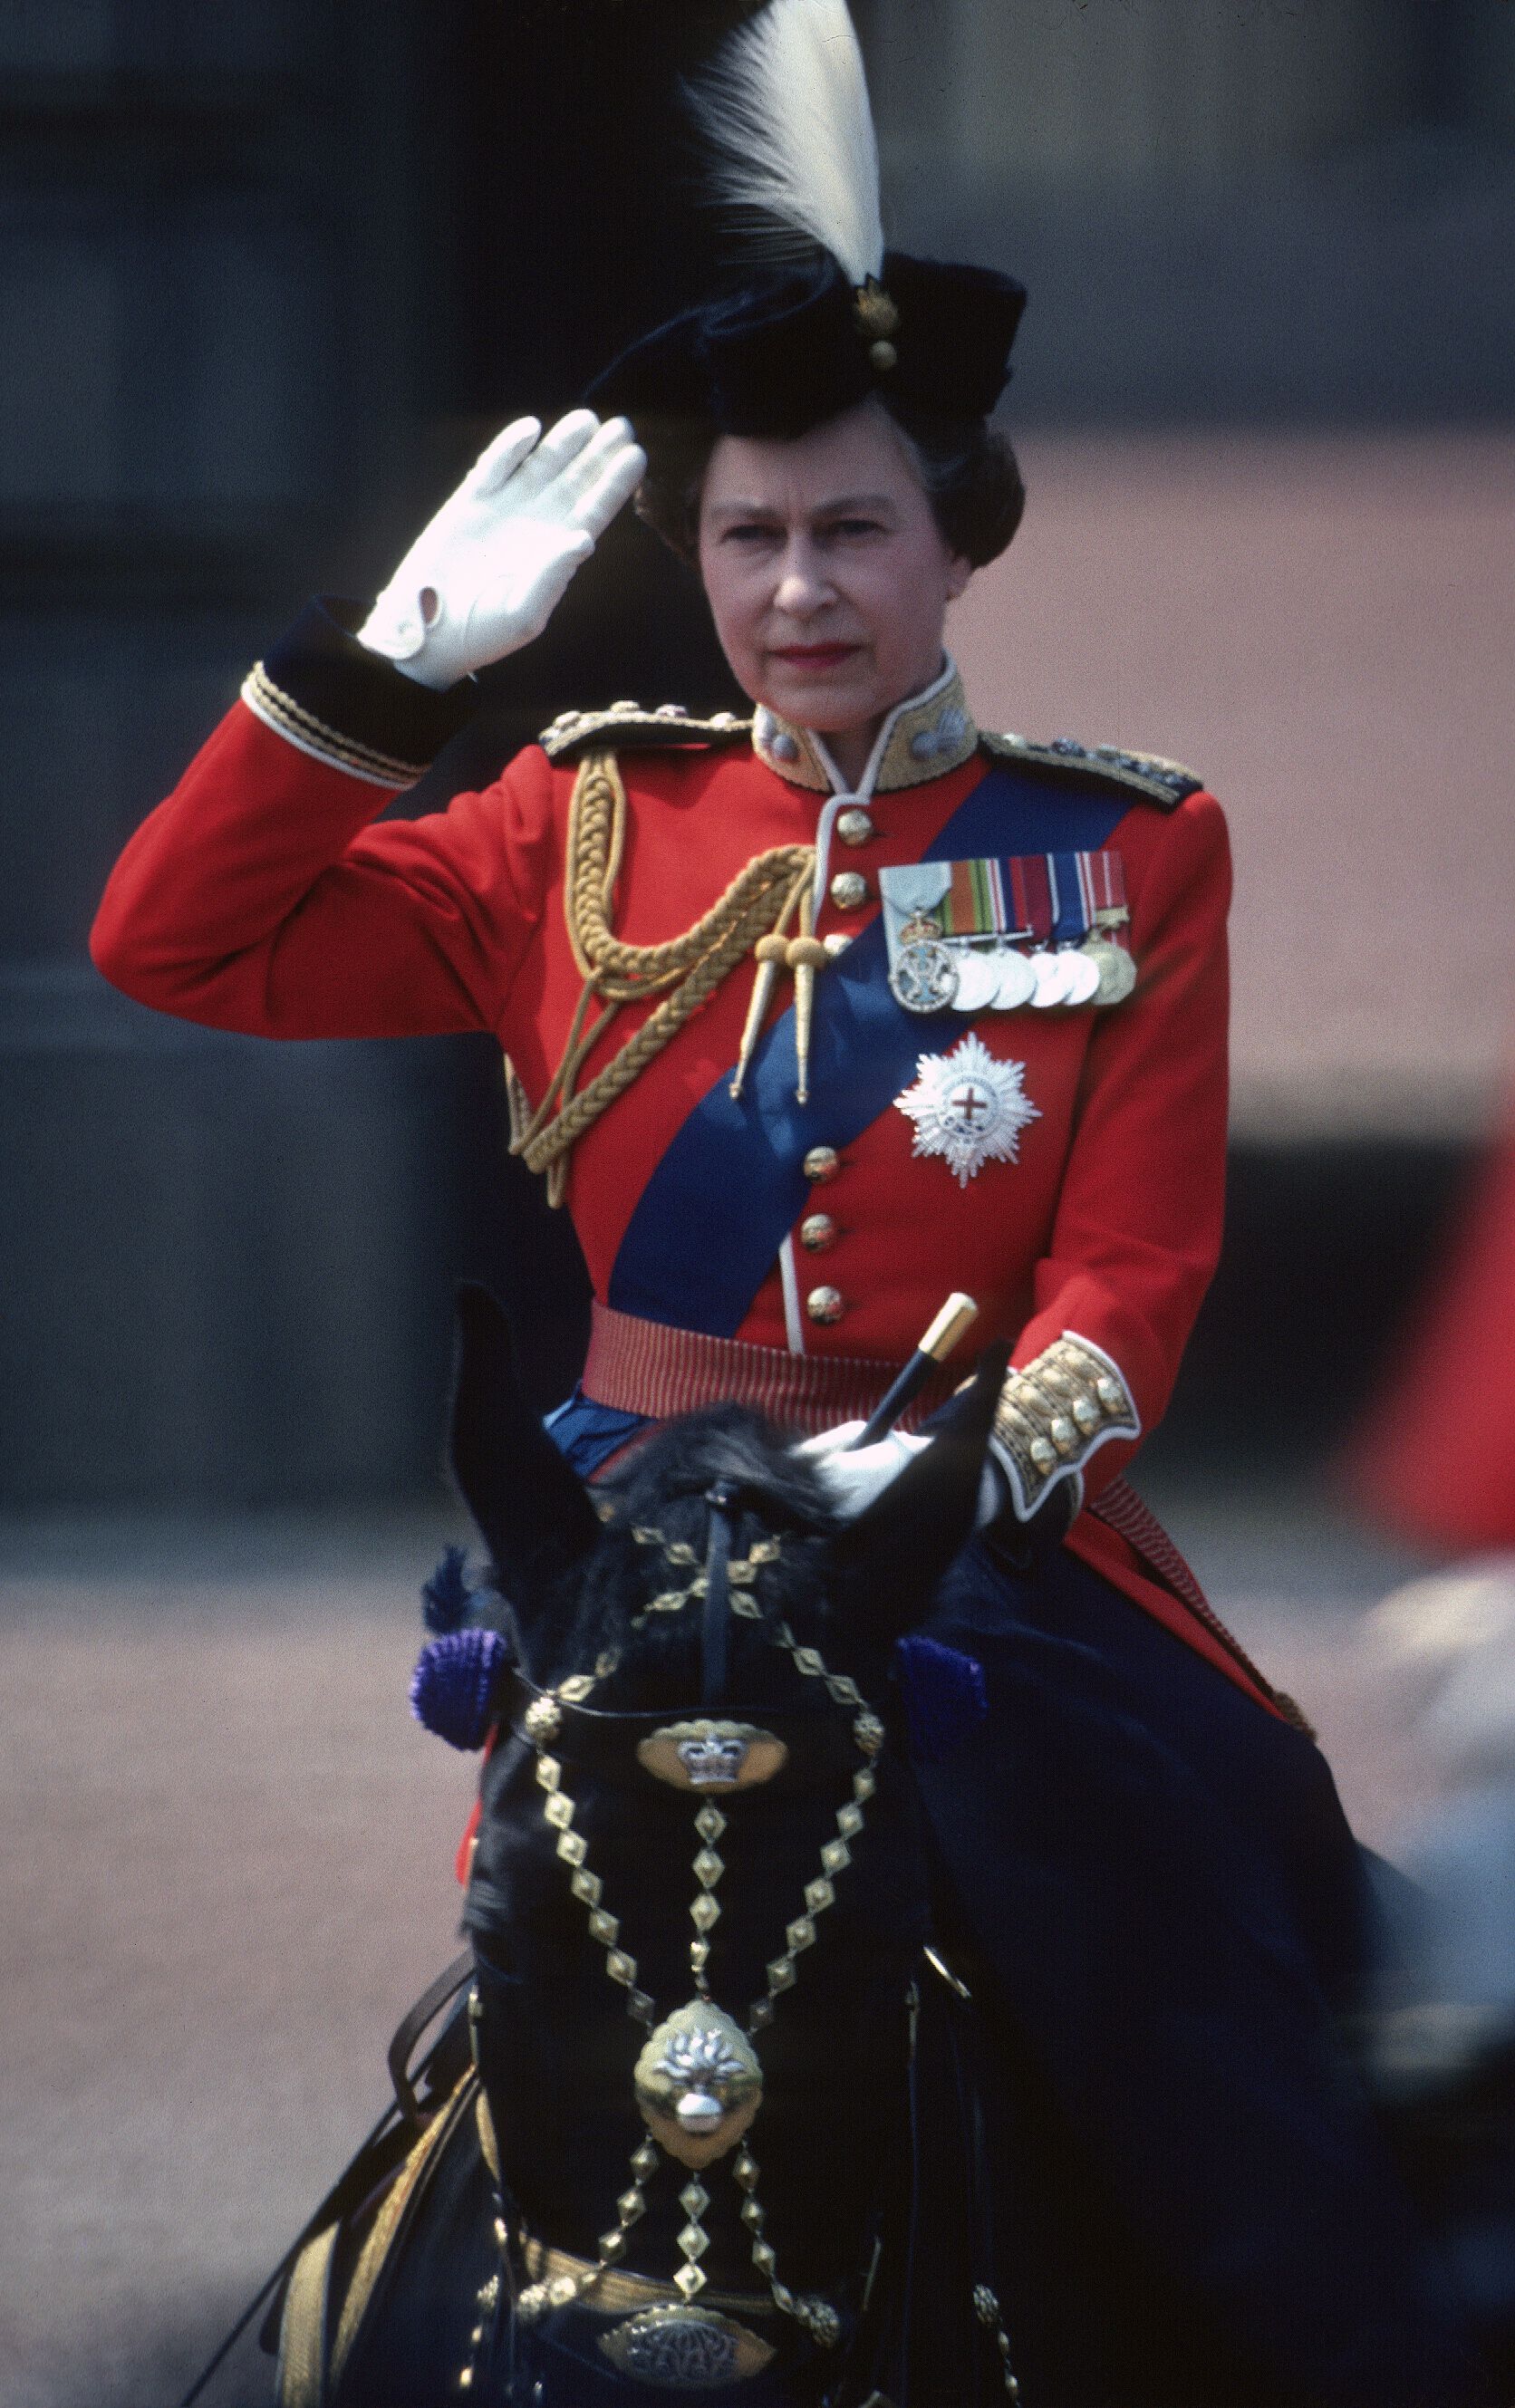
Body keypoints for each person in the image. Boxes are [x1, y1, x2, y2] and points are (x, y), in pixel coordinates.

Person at [91, 3, 1489, 2399]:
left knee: (1237, 1933)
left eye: (855, 528)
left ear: (964, 536)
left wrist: (947, 1466)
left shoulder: (1123, 843)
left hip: (988, 1561)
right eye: (748, 535)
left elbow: (1138, 1266)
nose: (800, 589)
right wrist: (380, 676)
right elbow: (173, 938)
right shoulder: (576, 822)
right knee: (546, 1992)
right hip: (646, 1534)